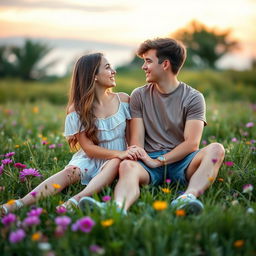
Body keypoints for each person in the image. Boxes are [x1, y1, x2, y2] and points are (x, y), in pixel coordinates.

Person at [81, 38, 225, 214]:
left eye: (148, 61)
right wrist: (148, 160)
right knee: (127, 165)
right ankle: (117, 207)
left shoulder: (194, 98)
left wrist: (159, 161)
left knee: (216, 149)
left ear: (165, 64)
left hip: (183, 161)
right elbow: (137, 143)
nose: (143, 66)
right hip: (147, 163)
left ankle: (187, 198)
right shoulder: (139, 95)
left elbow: (192, 144)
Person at [0, 52, 140, 215]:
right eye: (108, 67)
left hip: (117, 160)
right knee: (69, 172)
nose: (113, 71)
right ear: (93, 75)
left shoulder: (123, 99)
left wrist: (127, 154)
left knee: (115, 160)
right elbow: (88, 148)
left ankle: (75, 200)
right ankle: (18, 204)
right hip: (92, 157)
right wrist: (121, 153)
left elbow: (131, 137)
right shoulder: (78, 109)